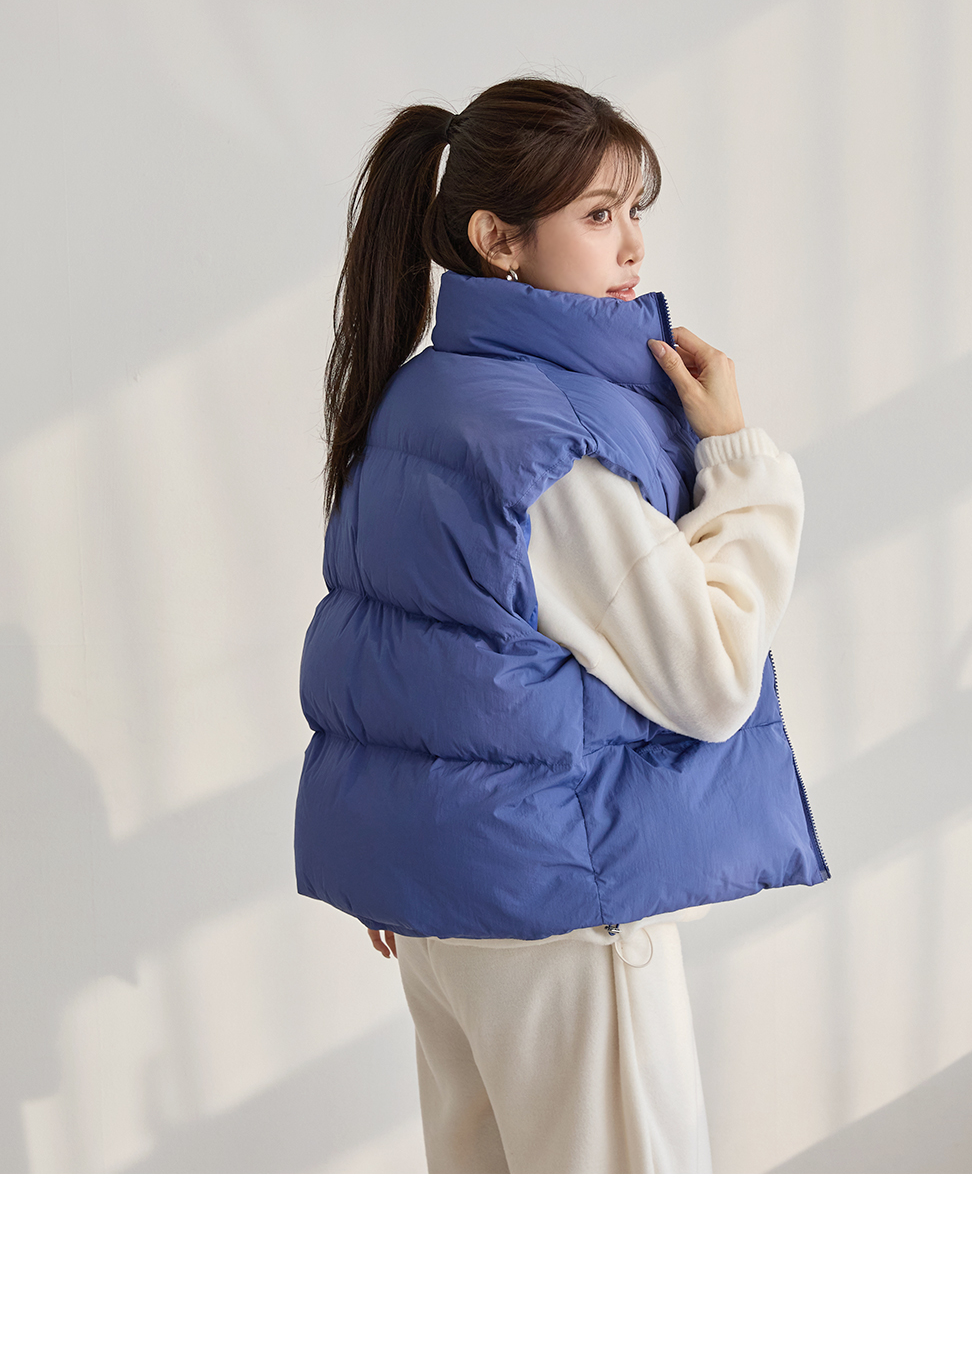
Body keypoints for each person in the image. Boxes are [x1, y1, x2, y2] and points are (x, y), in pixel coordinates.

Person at [296, 70, 827, 1177]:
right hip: (565, 911)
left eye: (634, 209)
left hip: (451, 915)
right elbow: (710, 682)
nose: (632, 245)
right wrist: (740, 462)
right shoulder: (550, 442)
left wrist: (396, 855)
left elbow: (409, 665)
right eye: (597, 213)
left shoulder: (419, 396)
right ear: (498, 238)